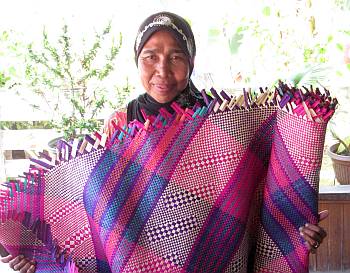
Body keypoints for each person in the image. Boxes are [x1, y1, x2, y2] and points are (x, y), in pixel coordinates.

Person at [1, 11, 328, 273]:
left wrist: (294, 227)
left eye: (175, 57)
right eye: (150, 56)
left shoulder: (225, 122)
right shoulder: (121, 126)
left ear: (191, 62)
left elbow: (256, 193)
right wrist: (40, 252)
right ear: (137, 61)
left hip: (216, 257)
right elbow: (97, 211)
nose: (162, 69)